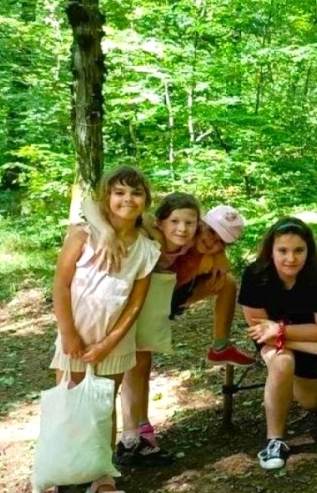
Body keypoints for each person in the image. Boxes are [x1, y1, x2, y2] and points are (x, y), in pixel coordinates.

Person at [86, 195, 253, 466]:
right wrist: (105, 230)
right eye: (210, 232)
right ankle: (130, 436)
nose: (211, 241)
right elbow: (97, 207)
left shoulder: (204, 254)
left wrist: (216, 259)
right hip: (128, 302)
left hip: (161, 299)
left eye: (220, 241)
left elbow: (215, 265)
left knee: (141, 364)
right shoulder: (159, 232)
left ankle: (219, 346)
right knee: (134, 365)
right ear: (201, 224)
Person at [38, 166, 160, 493]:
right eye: (119, 193)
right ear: (107, 198)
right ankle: (54, 472)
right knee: (69, 401)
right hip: (75, 333)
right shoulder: (82, 235)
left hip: (114, 339)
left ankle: (101, 475)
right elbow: (60, 286)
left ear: (145, 202)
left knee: (102, 406)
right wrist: (68, 334)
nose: (127, 200)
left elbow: (135, 304)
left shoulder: (147, 249)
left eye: (136, 194)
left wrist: (110, 341)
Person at [238, 217, 317, 470]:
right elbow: (260, 331)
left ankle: (314, 388)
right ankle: (274, 441)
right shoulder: (255, 275)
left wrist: (280, 329)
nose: (291, 258)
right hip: (287, 342)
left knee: (311, 403)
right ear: (271, 251)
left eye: (298, 250)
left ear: (308, 251)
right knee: (282, 361)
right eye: (283, 251)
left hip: (308, 336)